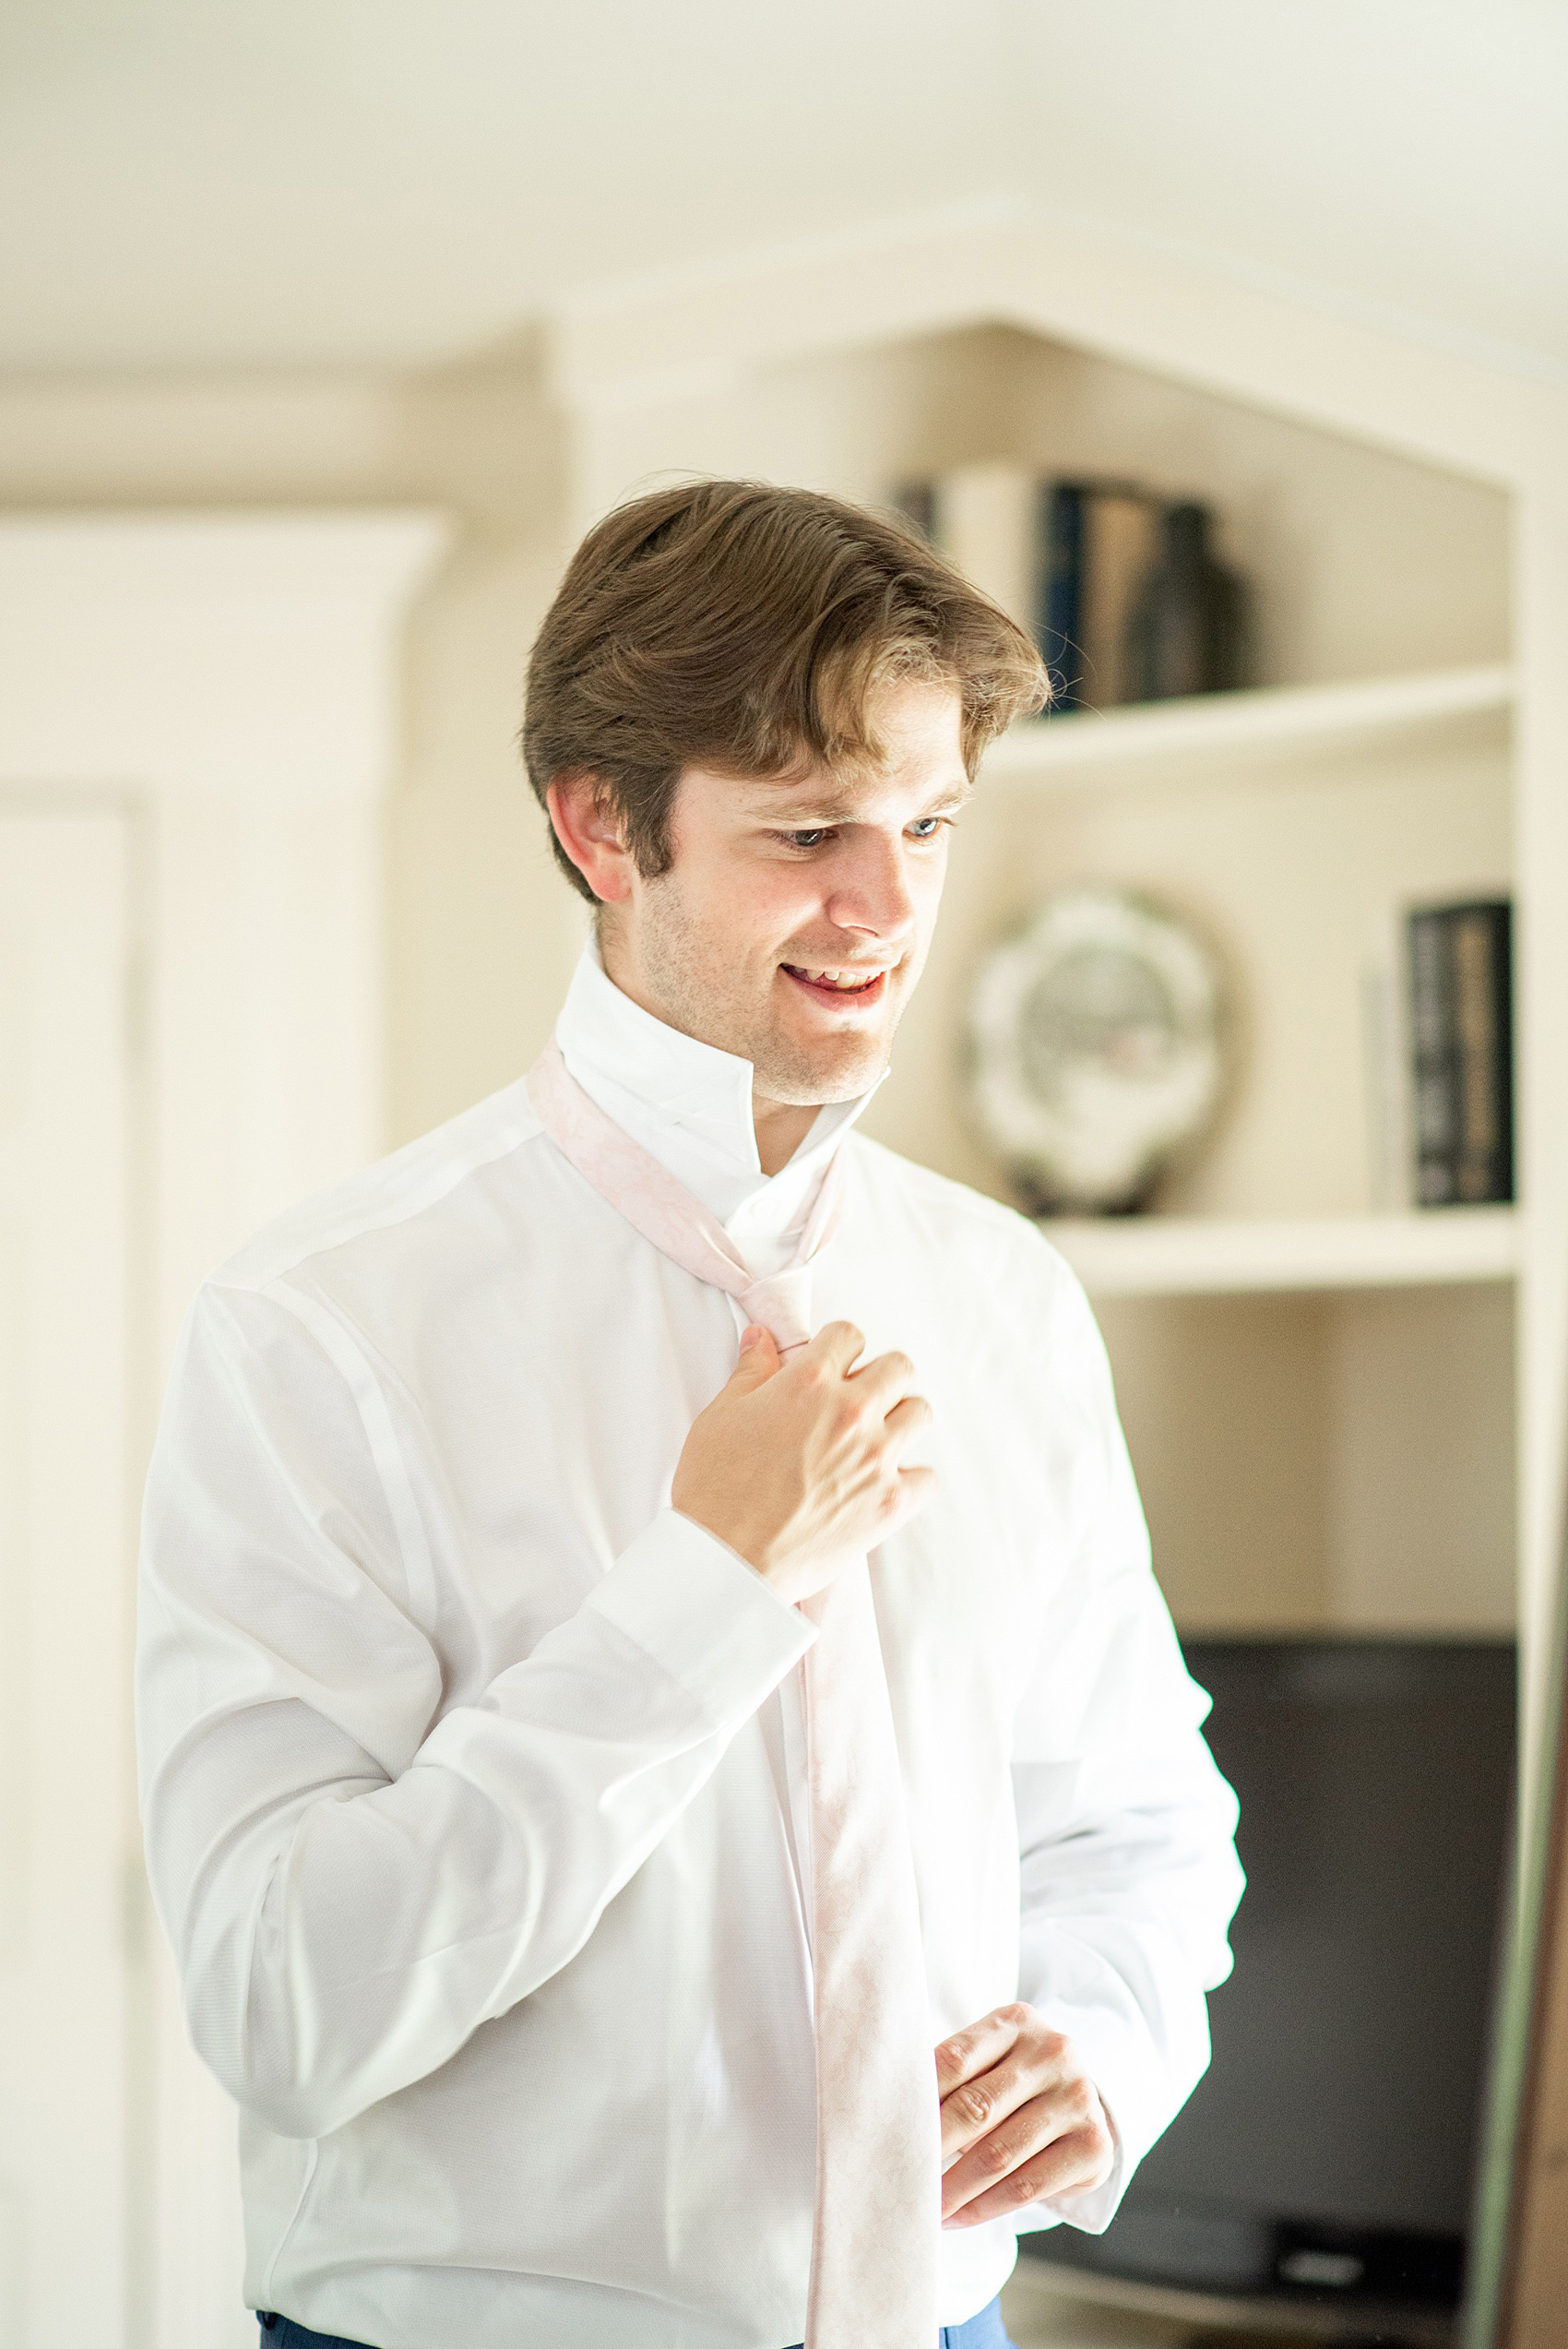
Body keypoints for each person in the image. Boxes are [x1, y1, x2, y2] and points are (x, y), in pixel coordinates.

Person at [137, 479, 1243, 2349]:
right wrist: (709, 1585)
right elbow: (279, 2004)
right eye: (807, 829)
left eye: (927, 823)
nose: (887, 903)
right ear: (597, 827)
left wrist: (1114, 2043)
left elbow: (1136, 1816)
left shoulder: (1004, 1301)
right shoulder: (319, 1325)